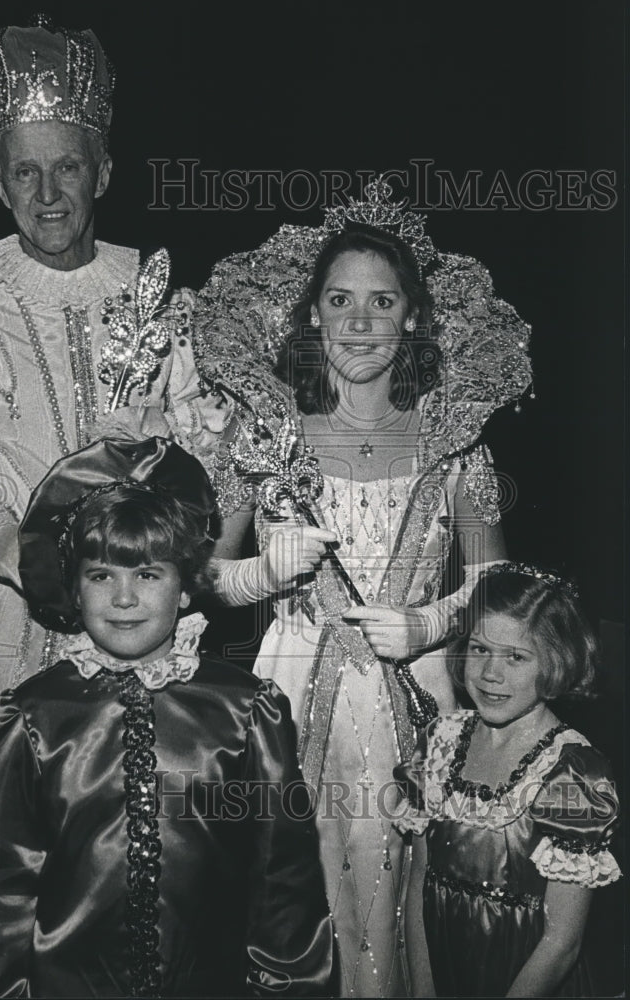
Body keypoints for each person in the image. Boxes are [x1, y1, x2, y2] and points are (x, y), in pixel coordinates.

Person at [0, 17, 221, 937]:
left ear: (102, 170)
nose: (47, 191)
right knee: (14, 882)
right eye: (23, 171)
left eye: (66, 166)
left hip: (147, 631)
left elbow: (219, 478)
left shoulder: (164, 304)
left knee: (138, 872)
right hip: (12, 635)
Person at [191, 180, 533, 996]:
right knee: (294, 895)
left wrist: (427, 626)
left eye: (382, 302)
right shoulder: (262, 434)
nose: (358, 321)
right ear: (311, 314)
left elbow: (496, 585)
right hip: (291, 688)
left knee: (400, 898)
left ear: (412, 317)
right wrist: (266, 573)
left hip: (417, 695)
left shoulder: (455, 445)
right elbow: (201, 574)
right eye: (339, 299)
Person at [0, 436, 334, 999]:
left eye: (147, 574)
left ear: (187, 585)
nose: (123, 598)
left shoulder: (246, 712)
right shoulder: (30, 719)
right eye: (101, 575)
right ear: (74, 586)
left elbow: (284, 888)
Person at [395, 563, 621, 997]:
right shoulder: (438, 743)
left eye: (515, 657)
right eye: (479, 649)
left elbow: (562, 944)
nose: (490, 674)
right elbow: (418, 884)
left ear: (557, 661)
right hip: (447, 973)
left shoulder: (574, 773)